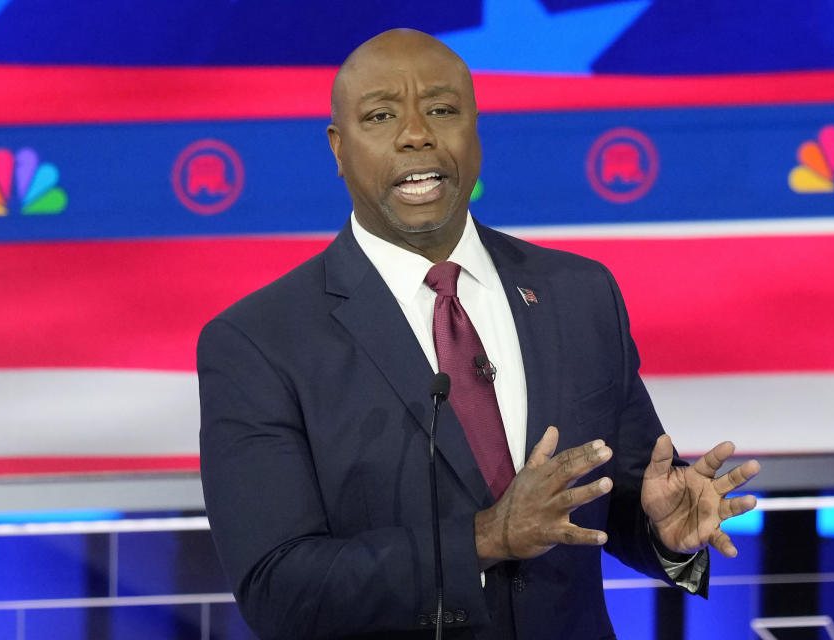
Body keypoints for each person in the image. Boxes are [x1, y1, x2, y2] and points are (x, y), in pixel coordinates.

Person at [197, 28, 760, 640]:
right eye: (381, 116)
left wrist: (661, 532)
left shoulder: (579, 294)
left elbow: (613, 496)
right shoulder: (258, 342)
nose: (417, 134)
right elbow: (279, 589)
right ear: (338, 148)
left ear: (475, 130)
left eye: (442, 110)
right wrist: (486, 538)